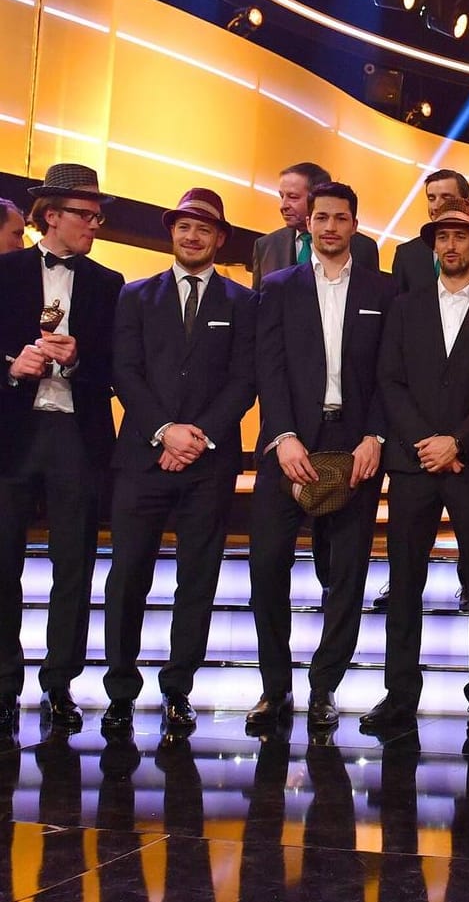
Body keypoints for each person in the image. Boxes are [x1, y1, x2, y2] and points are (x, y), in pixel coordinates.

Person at [101, 188, 257, 739]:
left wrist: (199, 437)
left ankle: (178, 692)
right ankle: (120, 691)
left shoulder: (243, 303)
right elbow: (125, 371)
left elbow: (245, 380)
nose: (192, 236)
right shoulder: (135, 296)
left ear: (219, 238)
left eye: (204, 228)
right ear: (172, 233)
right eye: (184, 227)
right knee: (127, 579)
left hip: (209, 464)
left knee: (197, 581)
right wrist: (167, 433)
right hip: (143, 459)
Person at [247, 182, 395, 735]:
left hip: (355, 442)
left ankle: (324, 688)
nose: (330, 227)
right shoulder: (278, 287)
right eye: (321, 217)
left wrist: (376, 435)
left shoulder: (383, 289)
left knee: (349, 574)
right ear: (306, 224)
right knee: (266, 569)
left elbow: (389, 370)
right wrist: (282, 435)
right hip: (289, 443)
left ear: (355, 225)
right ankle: (274, 688)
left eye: (341, 218)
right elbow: (269, 367)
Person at [365, 197, 469, 741]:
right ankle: (399, 696)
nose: (451, 245)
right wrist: (427, 442)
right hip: (412, 461)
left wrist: (458, 442)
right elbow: (389, 380)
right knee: (404, 581)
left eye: (460, 236)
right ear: (433, 247)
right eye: (442, 237)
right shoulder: (405, 307)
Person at [0, 163, 124, 734]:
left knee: (73, 567)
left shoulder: (108, 283)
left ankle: (60, 685)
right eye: (84, 215)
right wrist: (10, 366)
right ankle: (4, 685)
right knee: (4, 566)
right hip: (13, 437)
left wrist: (75, 360)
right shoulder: (5, 273)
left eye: (98, 216)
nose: (93, 225)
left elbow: (119, 370)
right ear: (50, 214)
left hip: (78, 436)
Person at [250, 162, 378, 288]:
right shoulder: (265, 246)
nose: (283, 206)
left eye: (293, 197)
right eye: (282, 196)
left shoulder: (363, 248)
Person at [391, 169, 469, 302]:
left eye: (446, 198)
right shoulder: (406, 254)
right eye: (431, 198)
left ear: (466, 202)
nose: (436, 206)